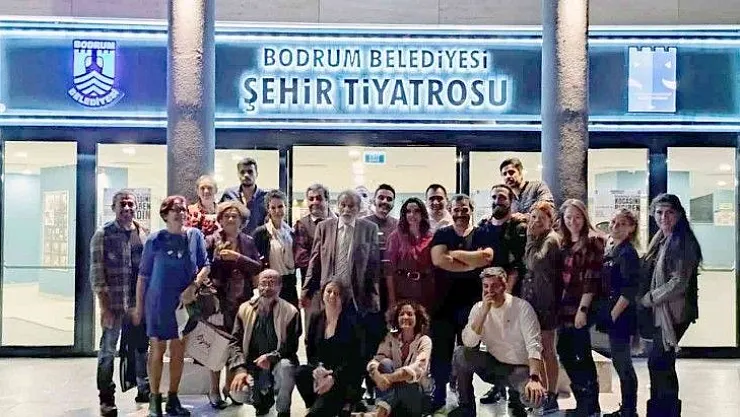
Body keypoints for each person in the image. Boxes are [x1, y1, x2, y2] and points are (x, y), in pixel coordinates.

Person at [301, 189, 382, 410]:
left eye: (351, 206)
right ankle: (326, 385)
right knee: (328, 341)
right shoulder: (324, 227)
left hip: (356, 298)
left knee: (357, 345)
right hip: (330, 294)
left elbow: (374, 266)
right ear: (337, 206)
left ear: (359, 208)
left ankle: (355, 393)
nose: (346, 209)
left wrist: (374, 297)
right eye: (343, 205)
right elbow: (314, 260)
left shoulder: (368, 228)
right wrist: (306, 289)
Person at [133, 196, 211, 417]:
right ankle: (154, 399)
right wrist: (139, 307)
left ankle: (173, 399)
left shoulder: (195, 236)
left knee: (178, 350)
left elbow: (205, 265)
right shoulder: (155, 240)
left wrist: (194, 286)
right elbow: (143, 276)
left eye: (183, 209)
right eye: (174, 209)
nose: (180, 213)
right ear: (165, 214)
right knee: (157, 349)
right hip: (158, 302)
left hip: (183, 303)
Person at [448, 267, 547, 417]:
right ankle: (466, 407)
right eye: (486, 286)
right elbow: (469, 342)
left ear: (504, 286)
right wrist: (483, 313)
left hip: (518, 368)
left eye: (494, 286)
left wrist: (534, 378)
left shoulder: (522, 308)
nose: (490, 291)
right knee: (461, 354)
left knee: (535, 398)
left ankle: (520, 404)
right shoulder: (478, 308)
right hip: (492, 364)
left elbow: (534, 345)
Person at [429, 194, 494, 412]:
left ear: (471, 210)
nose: (460, 213)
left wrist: (455, 254)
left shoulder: (483, 233)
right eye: (455, 209)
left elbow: (486, 258)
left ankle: (466, 402)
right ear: (450, 210)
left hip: (472, 305)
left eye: (464, 209)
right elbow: (439, 259)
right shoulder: (442, 233)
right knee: (441, 353)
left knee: (467, 354)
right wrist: (471, 262)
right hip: (443, 305)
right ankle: (438, 395)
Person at [640, 194, 702, 417]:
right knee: (659, 363)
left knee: (661, 363)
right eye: (659, 212)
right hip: (662, 311)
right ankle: (659, 410)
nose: (664, 217)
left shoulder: (682, 242)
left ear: (679, 215)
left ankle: (666, 412)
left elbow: (679, 282)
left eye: (669, 212)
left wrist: (651, 298)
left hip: (674, 312)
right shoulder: (661, 239)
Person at [90, 190, 151, 417]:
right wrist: (104, 307)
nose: (126, 208)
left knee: (141, 348)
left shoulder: (143, 233)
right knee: (108, 351)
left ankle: (144, 390)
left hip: (138, 303)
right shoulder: (103, 234)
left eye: (130, 204)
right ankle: (106, 399)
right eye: (122, 204)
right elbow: (97, 275)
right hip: (114, 303)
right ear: (114, 208)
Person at [207, 200, 262, 409]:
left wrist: (237, 257)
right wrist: (219, 258)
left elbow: (257, 267)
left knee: (236, 344)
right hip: (219, 301)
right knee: (217, 346)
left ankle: (229, 387)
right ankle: (213, 390)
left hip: (243, 301)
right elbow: (205, 268)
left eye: (235, 216)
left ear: (242, 220)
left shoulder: (248, 241)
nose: (231, 219)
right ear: (220, 220)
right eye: (227, 216)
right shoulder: (212, 240)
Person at [476, 184, 528, 405]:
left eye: (502, 197)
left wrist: (505, 296)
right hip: (488, 293)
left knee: (513, 342)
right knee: (493, 342)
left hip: (511, 293)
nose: (497, 200)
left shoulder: (518, 228)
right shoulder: (484, 227)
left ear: (511, 201)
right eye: (494, 196)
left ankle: (515, 394)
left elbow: (517, 266)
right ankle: (498, 388)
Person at [557, 199, 606, 417]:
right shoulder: (564, 242)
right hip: (564, 307)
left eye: (577, 217)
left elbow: (591, 279)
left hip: (580, 308)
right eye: (568, 217)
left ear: (584, 218)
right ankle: (583, 402)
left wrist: (583, 310)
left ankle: (591, 406)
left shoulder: (593, 242)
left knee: (582, 354)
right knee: (565, 352)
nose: (572, 221)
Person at [228, 269, 300, 417]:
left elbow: (291, 346)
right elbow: (234, 342)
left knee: (286, 368)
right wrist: (240, 369)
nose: (267, 288)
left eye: (272, 283)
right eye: (263, 283)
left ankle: (283, 410)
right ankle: (261, 404)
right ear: (258, 285)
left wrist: (271, 357)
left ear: (280, 287)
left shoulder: (290, 311)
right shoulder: (244, 309)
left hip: (277, 364)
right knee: (238, 393)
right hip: (253, 366)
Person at [296, 280, 362, 417]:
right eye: (329, 291)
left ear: (343, 298)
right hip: (322, 372)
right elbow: (311, 350)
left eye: (337, 294)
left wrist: (333, 378)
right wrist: (318, 370)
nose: (332, 296)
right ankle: (315, 403)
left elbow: (355, 360)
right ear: (322, 294)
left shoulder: (352, 322)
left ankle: (340, 404)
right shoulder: (316, 317)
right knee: (301, 372)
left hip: (343, 378)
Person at [599, 209, 641, 417]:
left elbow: (628, 290)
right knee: (619, 361)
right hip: (613, 312)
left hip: (621, 316)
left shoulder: (627, 254)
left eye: (622, 223)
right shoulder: (612, 249)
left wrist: (613, 316)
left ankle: (629, 410)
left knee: (623, 363)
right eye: (614, 222)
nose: (615, 226)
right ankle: (627, 407)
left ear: (631, 228)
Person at [522, 201, 562, 411]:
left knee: (547, 351)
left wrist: (529, 238)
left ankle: (552, 394)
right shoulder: (539, 238)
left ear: (550, 221)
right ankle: (543, 394)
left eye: (541, 218)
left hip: (546, 305)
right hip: (532, 303)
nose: (536, 221)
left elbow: (535, 263)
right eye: (534, 217)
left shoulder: (550, 240)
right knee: (536, 350)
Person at [362, 183, 399, 404]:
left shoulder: (397, 225)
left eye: (389, 199)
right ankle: (370, 385)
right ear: (374, 200)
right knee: (369, 338)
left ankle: (389, 385)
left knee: (390, 338)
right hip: (368, 291)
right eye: (381, 198)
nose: (384, 202)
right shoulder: (363, 224)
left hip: (392, 289)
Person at [367, 301, 433, 417]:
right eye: (401, 314)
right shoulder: (391, 337)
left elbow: (417, 369)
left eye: (410, 314)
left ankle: (380, 411)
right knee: (385, 364)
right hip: (393, 394)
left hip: (414, 396)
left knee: (407, 382)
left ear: (417, 318)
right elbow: (377, 360)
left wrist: (388, 378)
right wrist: (377, 376)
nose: (405, 317)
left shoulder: (424, 340)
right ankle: (383, 410)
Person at [386, 197, 435, 311]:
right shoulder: (395, 237)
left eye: (416, 211)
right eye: (408, 211)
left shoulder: (431, 237)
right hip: (403, 289)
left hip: (426, 289)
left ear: (422, 214)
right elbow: (389, 270)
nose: (412, 215)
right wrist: (392, 300)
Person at [253, 190, 298, 307]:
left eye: (280, 206)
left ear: (286, 207)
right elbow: (255, 261)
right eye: (273, 208)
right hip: (270, 285)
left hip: (289, 284)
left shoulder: (291, 232)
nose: (277, 211)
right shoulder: (261, 233)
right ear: (268, 210)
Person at [294, 183, 335, 285]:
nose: (314, 202)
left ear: (327, 200)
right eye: (311, 199)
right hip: (313, 284)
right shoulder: (301, 225)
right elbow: (301, 259)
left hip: (337, 283)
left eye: (319, 198)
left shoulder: (340, 222)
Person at [220, 157, 267, 234]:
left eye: (250, 171)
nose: (246, 175)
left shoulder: (265, 197)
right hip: (233, 240)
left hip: (257, 240)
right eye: (242, 172)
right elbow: (219, 218)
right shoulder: (229, 194)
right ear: (238, 174)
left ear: (256, 174)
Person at [186, 175, 220, 253]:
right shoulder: (190, 211)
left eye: (209, 188)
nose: (206, 191)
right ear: (197, 192)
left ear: (216, 190)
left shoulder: (223, 211)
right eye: (202, 188)